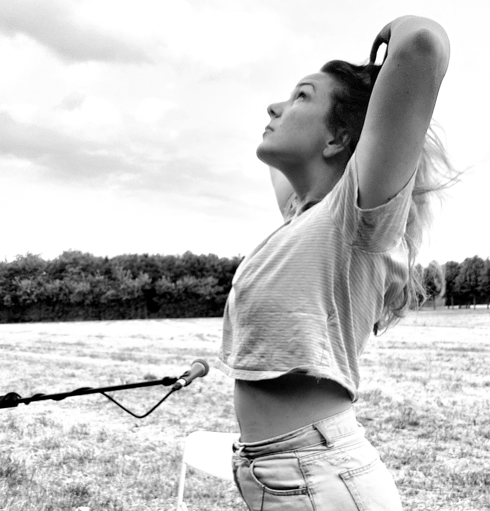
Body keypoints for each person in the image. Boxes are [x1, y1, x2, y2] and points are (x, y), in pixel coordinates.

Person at [217, 15, 453, 511]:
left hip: (318, 477)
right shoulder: (303, 215)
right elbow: (293, 168)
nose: (274, 106)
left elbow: (423, 45)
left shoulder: (355, 217)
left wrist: (392, 36)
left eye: (302, 96)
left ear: (338, 139)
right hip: (289, 473)